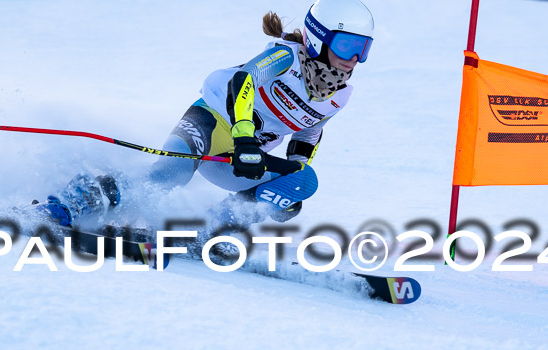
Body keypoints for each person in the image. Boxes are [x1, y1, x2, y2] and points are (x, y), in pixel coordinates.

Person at [37, 0, 374, 236]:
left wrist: (291, 176)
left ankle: (207, 230)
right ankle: (75, 201)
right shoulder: (286, 57)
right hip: (211, 123)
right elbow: (243, 81)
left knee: (300, 187)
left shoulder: (339, 95)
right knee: (168, 177)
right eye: (346, 46)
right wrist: (243, 138)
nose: (353, 59)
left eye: (363, 49)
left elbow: (309, 134)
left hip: (244, 156)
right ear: (319, 37)